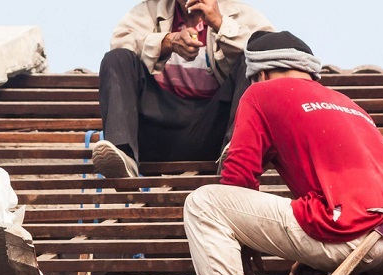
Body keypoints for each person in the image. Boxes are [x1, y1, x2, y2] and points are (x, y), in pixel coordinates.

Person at [183, 31, 383, 275]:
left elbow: (238, 176)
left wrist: (242, 252)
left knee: (204, 203)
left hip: (349, 232)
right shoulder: (347, 103)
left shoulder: (261, 93)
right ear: (310, 71)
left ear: (262, 72)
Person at [92, 0, 273, 178]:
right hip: (156, 130)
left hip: (214, 132)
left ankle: (236, 154)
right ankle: (124, 154)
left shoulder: (240, 13)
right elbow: (120, 45)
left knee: (253, 60)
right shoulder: (147, 12)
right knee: (117, 58)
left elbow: (271, 55)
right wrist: (167, 42)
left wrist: (220, 24)